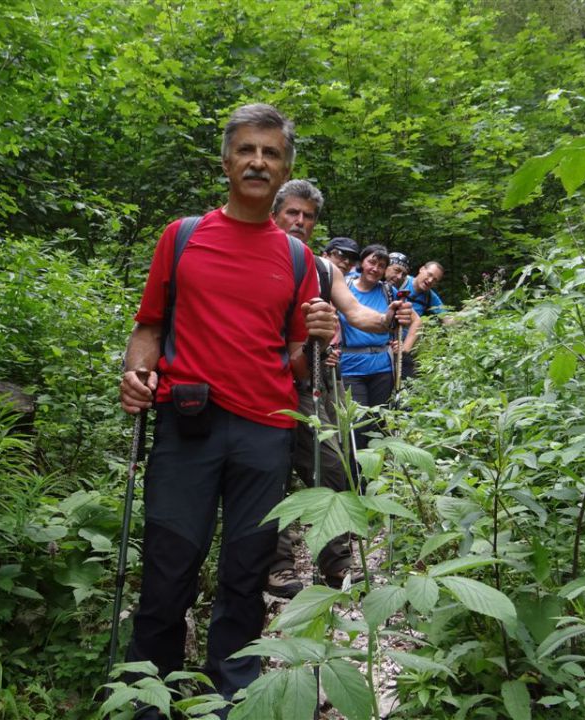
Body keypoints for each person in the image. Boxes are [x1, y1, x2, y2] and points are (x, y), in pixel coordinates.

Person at [118, 103, 336, 717]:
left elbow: (299, 363)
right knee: (167, 570)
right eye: (247, 150)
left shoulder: (296, 259)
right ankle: (146, 697)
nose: (258, 162)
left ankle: (231, 698)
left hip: (265, 433)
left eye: (271, 153)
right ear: (227, 162)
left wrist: (319, 332)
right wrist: (135, 373)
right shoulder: (182, 237)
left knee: (245, 576)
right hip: (187, 425)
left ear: (286, 166)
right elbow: (149, 327)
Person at [268, 180, 411, 597]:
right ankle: (277, 564)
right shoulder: (256, 256)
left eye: (308, 216)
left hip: (312, 385)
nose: (299, 222)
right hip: (265, 380)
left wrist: (388, 320)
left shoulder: (322, 268)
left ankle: (335, 558)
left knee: (333, 465)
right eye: (292, 212)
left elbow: (356, 313)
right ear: (276, 213)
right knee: (269, 473)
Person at [338, 245, 418, 449]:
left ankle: (373, 473)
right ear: (361, 263)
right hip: (350, 368)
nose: (375, 268)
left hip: (382, 368)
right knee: (356, 425)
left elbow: (412, 320)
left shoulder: (388, 292)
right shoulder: (343, 288)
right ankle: (354, 474)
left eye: (381, 266)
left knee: (377, 422)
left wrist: (404, 346)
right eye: (372, 262)